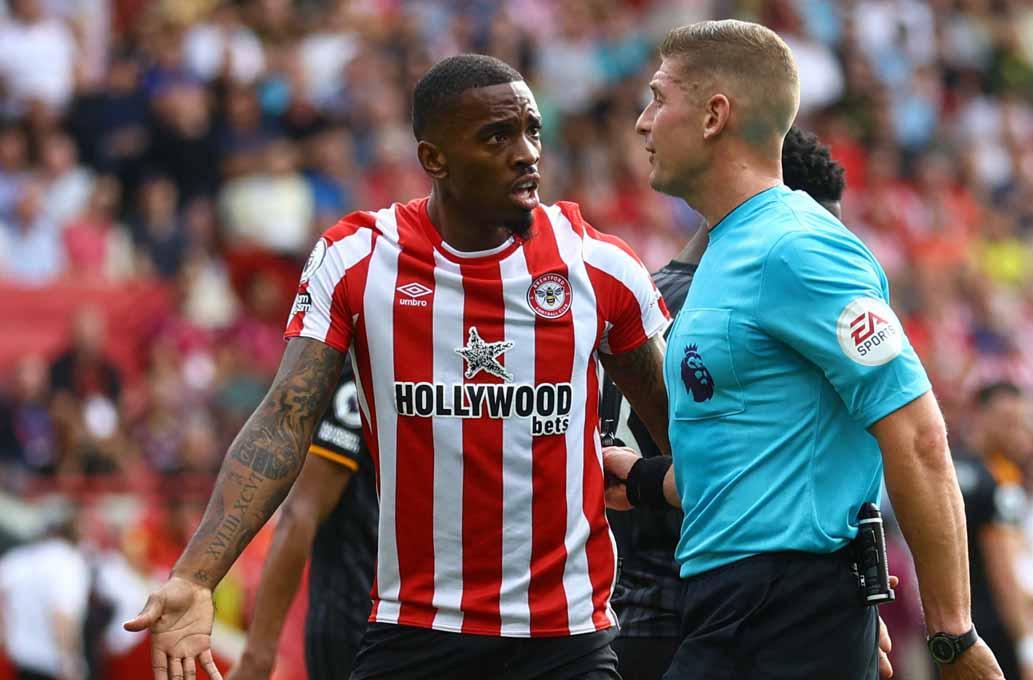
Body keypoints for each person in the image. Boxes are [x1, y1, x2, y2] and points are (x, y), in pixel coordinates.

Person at [124, 53, 674, 680]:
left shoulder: (599, 267)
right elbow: (284, 420)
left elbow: (681, 433)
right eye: (497, 135)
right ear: (433, 159)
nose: (527, 153)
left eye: (531, 129)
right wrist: (197, 576)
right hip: (415, 634)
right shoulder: (357, 260)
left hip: (567, 637)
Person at [603, 20, 1006, 679]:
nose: (644, 122)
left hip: (790, 613)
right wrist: (645, 480)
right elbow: (759, 455)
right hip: (730, 609)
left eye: (657, 97)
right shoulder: (726, 252)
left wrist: (952, 637)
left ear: (714, 115)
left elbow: (917, 435)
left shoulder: (798, 247)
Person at [606, 128, 897, 680]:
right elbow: (743, 475)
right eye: (824, 230)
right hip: (741, 619)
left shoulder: (635, 301)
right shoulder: (759, 302)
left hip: (628, 619)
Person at [225, 363, 376, 680]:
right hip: (416, 620)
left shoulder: (362, 371)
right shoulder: (430, 363)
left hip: (361, 622)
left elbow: (299, 512)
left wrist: (257, 656)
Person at [955, 383, 1033, 680]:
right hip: (993, 631)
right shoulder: (999, 481)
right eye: (1011, 422)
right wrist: (1030, 646)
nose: (1020, 432)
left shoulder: (947, 468)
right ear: (982, 417)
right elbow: (1004, 573)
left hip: (948, 625)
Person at [0, 503, 89, 680]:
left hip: (15, 661)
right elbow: (62, 615)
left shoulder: (17, 559)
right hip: (49, 664)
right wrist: (68, 662)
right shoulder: (68, 561)